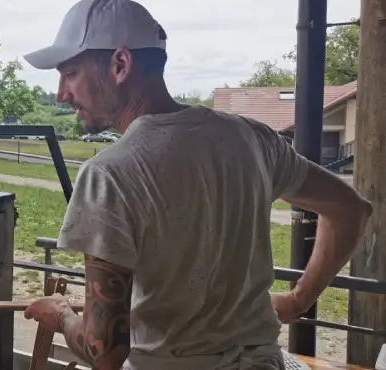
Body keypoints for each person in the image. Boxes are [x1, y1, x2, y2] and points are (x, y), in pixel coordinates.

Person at [22, 0, 373, 369]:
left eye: (71, 73)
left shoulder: (109, 173)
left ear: (120, 65)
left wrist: (61, 314)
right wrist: (299, 299)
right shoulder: (253, 138)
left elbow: (105, 350)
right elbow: (350, 209)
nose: (62, 93)